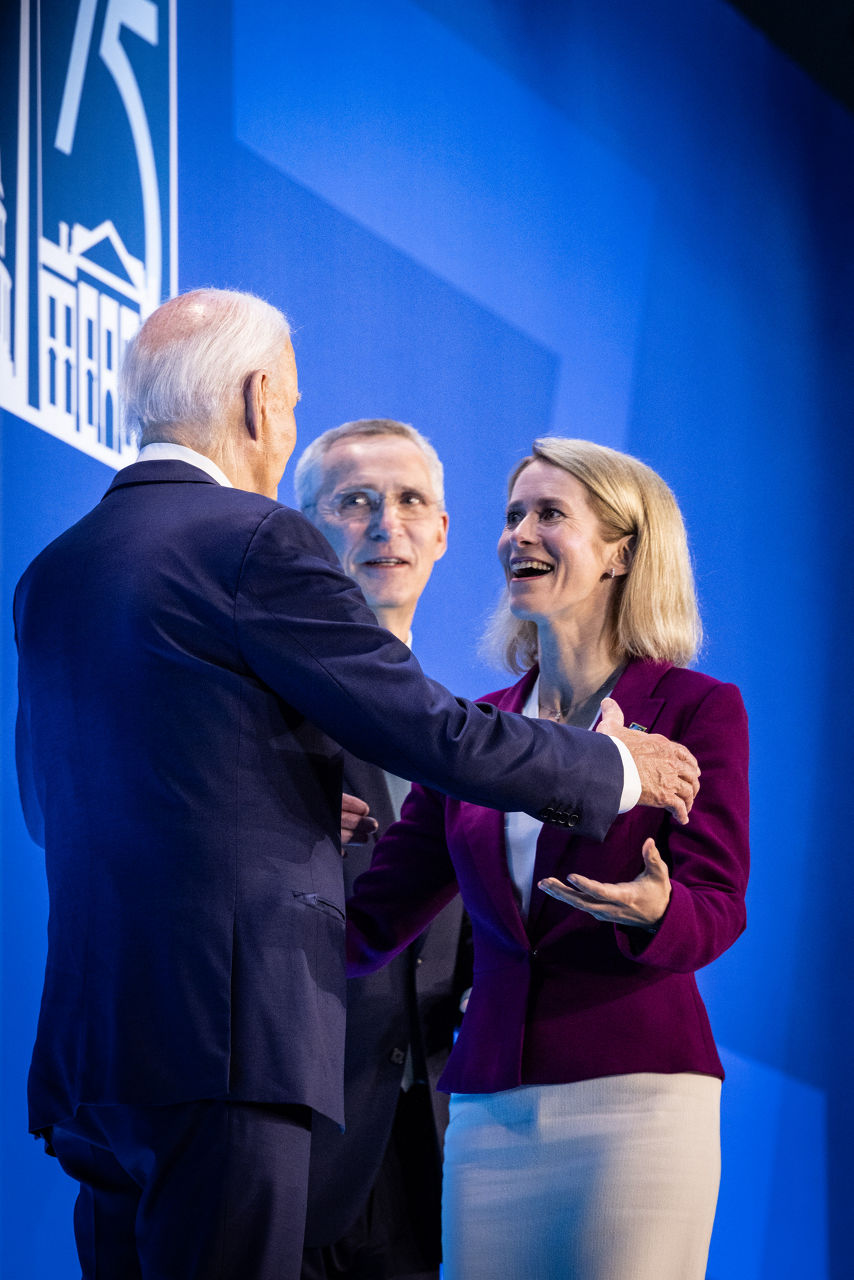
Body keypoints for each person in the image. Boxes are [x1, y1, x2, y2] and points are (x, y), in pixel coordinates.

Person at [12, 294, 700, 1280]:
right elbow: (425, 729)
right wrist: (612, 763)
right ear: (255, 402)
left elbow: (49, 799)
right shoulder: (252, 538)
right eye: (288, 405)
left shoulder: (54, 569)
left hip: (96, 1058)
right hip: (232, 1045)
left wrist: (264, 798)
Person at [346, 437, 749, 1280]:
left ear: (621, 552)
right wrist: (286, 842)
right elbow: (372, 918)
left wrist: (658, 912)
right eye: (513, 515)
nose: (519, 534)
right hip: (489, 1111)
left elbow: (717, 902)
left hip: (638, 1099)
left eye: (550, 515)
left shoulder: (695, 708)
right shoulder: (479, 728)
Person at [295, 419, 468, 1280]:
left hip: (429, 1150)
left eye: (409, 501)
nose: (384, 525)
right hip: (293, 1141)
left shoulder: (471, 736)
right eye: (354, 501)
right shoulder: (256, 712)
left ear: (442, 531)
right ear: (303, 530)